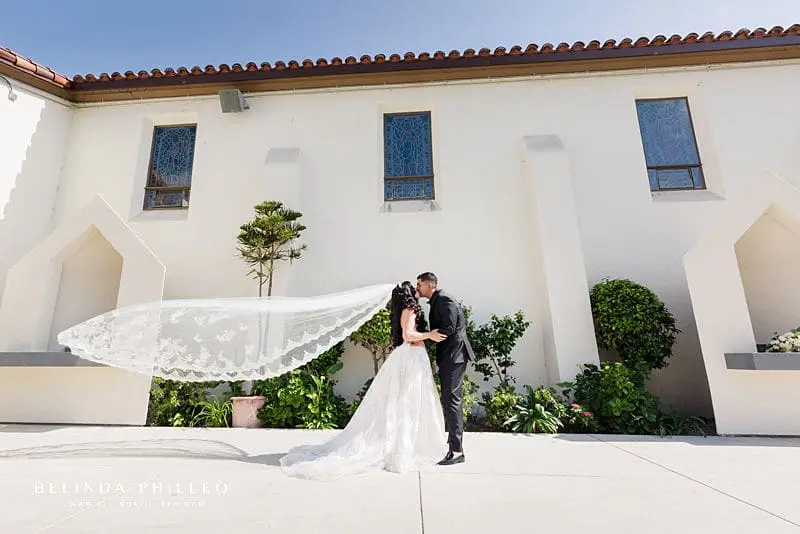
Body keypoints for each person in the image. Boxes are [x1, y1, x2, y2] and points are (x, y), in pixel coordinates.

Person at [280, 281, 449, 480]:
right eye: (416, 287)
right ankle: (404, 449)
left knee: (403, 402)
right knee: (407, 402)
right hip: (412, 356)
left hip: (408, 356)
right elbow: (408, 334)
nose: (418, 289)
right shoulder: (411, 309)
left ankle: (402, 445)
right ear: (410, 294)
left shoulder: (404, 309)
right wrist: (430, 334)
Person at [416, 272, 474, 466]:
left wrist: (424, 336)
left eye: (420, 284)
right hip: (449, 357)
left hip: (454, 357)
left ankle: (457, 451)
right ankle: (453, 444)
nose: (418, 288)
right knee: (449, 400)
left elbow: (448, 328)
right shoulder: (436, 300)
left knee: (452, 401)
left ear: (431, 285)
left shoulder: (445, 299)